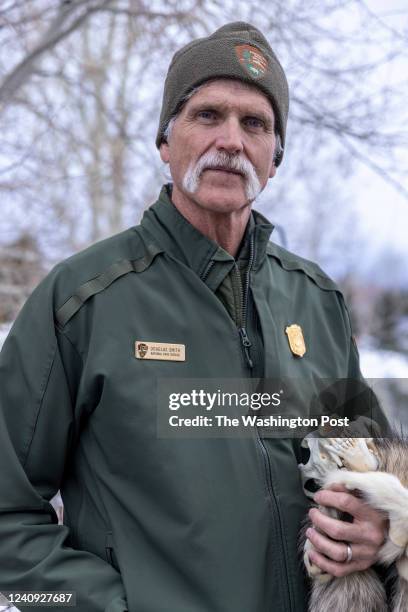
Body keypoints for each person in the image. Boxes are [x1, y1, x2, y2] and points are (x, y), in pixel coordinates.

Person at [0, 22, 387, 612]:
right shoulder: (83, 300)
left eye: (254, 123)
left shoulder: (317, 302)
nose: (230, 140)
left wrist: (379, 533)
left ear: (275, 157)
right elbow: (8, 520)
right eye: (207, 115)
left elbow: (377, 470)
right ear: (165, 141)